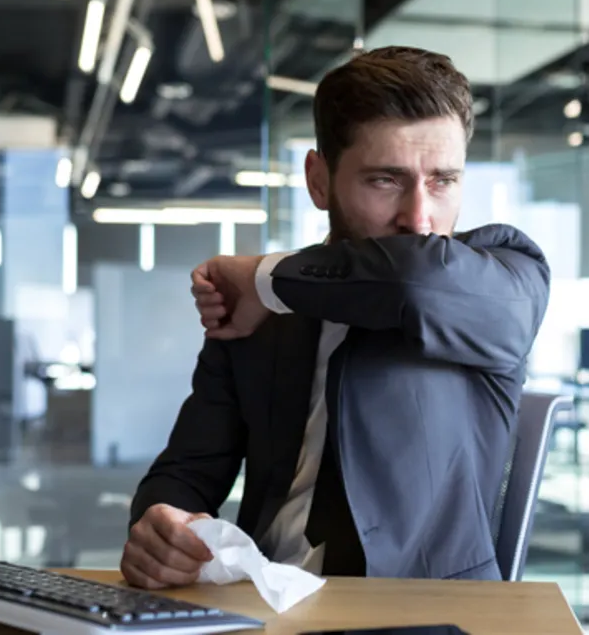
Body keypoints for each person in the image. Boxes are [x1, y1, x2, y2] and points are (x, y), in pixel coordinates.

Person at [121, 46, 550, 589]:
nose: (419, 218)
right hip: (268, 605)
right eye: (385, 180)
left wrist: (263, 280)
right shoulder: (260, 318)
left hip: (422, 617)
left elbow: (413, 282)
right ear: (319, 181)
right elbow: (186, 471)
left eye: (443, 180)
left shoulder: (502, 280)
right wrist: (161, 523)